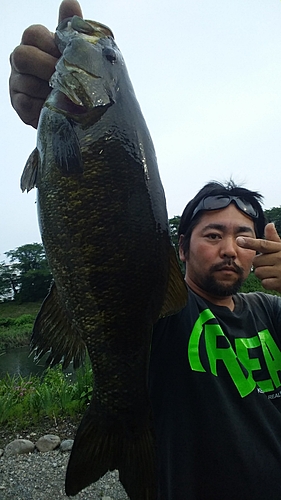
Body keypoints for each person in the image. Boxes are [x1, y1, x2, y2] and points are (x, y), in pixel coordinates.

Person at [9, 1, 281, 498]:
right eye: (212, 234)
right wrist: (49, 124)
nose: (230, 249)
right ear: (179, 248)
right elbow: (123, 283)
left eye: (244, 236)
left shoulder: (274, 314)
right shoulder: (165, 318)